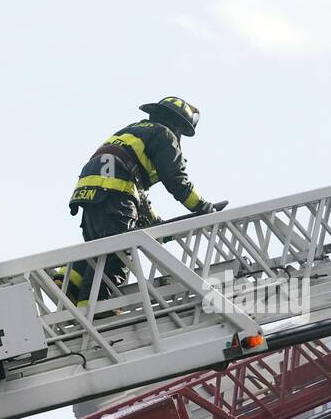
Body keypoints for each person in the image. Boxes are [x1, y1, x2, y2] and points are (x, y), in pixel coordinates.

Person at [59, 97, 226, 307]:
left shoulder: (134, 130)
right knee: (118, 252)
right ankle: (95, 307)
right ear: (177, 125)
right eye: (181, 131)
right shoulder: (165, 136)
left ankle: (68, 278)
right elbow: (176, 180)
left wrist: (155, 221)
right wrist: (202, 206)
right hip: (116, 191)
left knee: (99, 246)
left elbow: (137, 189)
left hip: (89, 190)